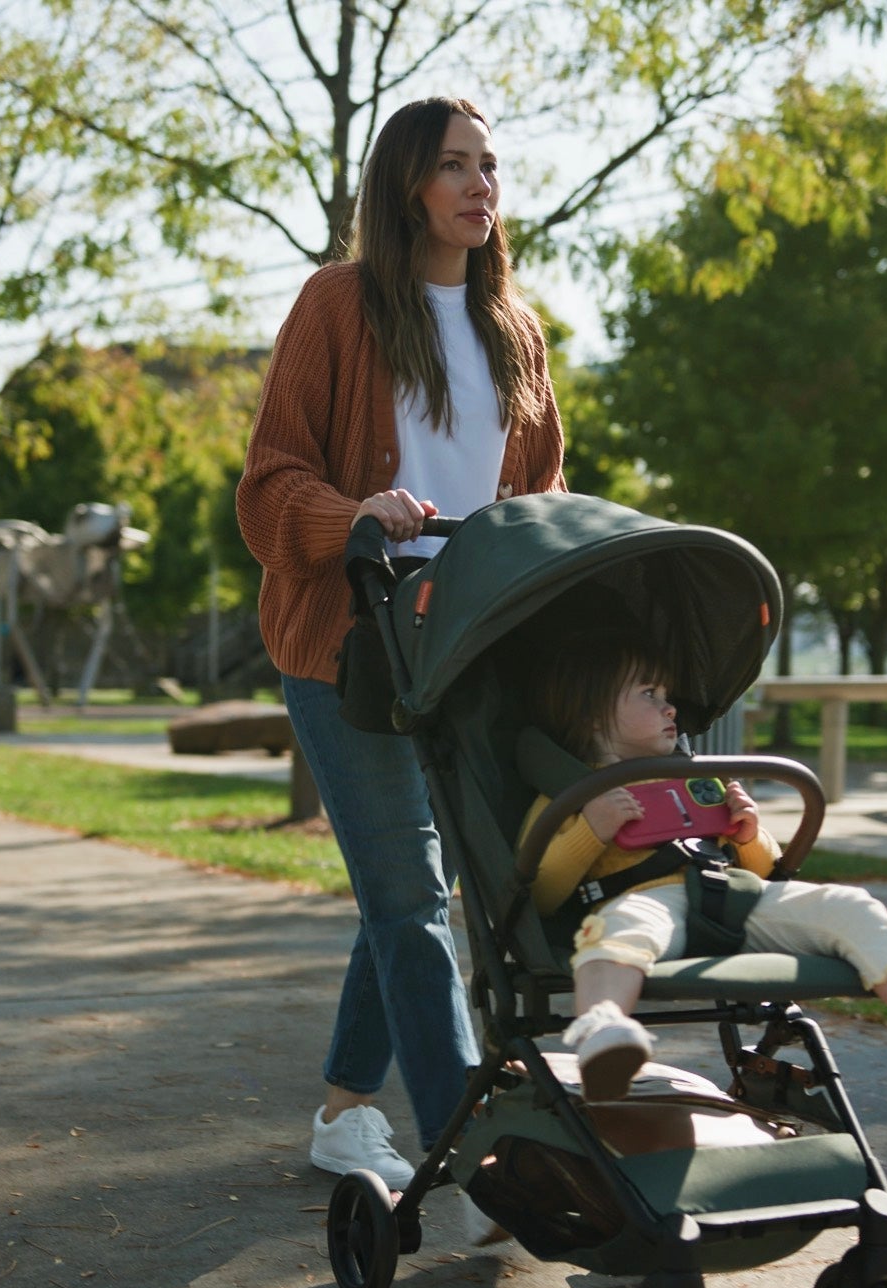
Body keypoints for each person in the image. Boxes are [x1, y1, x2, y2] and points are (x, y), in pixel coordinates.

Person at [235, 97, 567, 1189]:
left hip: (469, 653)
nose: (482, 186)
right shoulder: (338, 306)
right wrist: (355, 514)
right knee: (414, 898)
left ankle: (342, 1113)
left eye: (491, 167)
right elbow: (271, 482)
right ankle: (472, 1149)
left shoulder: (512, 329)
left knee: (419, 890)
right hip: (350, 648)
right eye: (455, 167)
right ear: (407, 187)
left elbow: (541, 494)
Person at [521, 626, 887, 1102]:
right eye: (649, 694)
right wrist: (591, 831)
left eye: (667, 694)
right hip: (650, 904)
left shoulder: (697, 779)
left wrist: (748, 834)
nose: (670, 706)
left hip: (735, 894)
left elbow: (763, 871)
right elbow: (540, 892)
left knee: (850, 904)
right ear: (592, 716)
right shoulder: (573, 794)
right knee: (619, 927)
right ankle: (602, 1028)